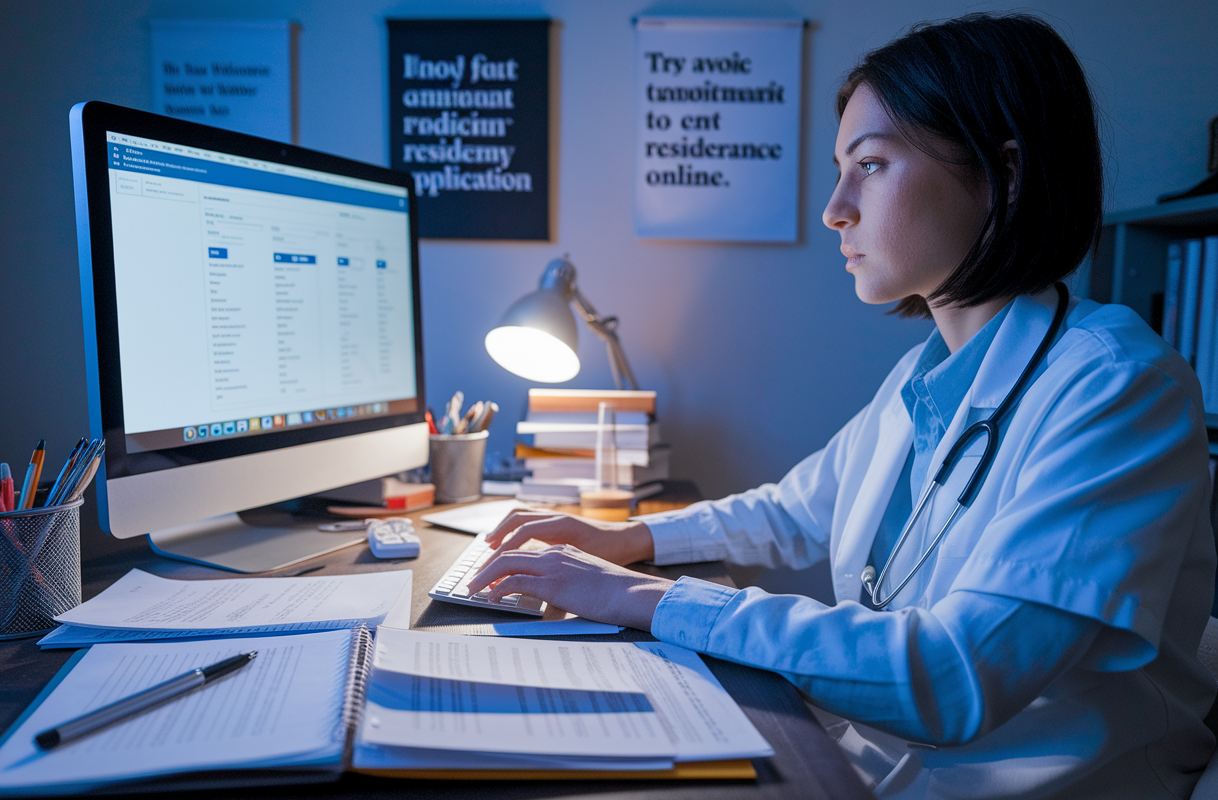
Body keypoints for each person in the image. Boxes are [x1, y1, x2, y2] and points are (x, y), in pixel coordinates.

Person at [466, 12, 1218, 798]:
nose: (834, 209)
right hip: (875, 766)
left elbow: (953, 678)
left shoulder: (1117, 385)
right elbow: (792, 511)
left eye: (870, 165)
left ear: (1006, 170)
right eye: (838, 169)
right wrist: (627, 538)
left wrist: (643, 598)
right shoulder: (922, 378)